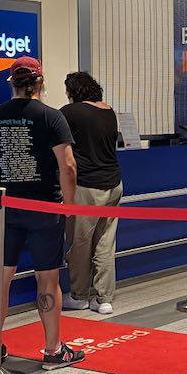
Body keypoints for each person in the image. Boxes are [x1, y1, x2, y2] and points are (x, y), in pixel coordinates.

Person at [0, 56, 85, 371]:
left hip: (5, 210)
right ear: (40, 82)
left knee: (0, 278)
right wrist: (69, 205)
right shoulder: (52, 117)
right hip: (45, 210)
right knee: (47, 279)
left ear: (11, 82)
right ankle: (52, 350)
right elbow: (68, 166)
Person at [59, 71, 123, 315]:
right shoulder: (109, 111)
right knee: (106, 243)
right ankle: (104, 299)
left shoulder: (70, 112)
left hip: (87, 187)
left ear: (74, 91)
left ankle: (79, 295)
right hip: (114, 184)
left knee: (80, 243)